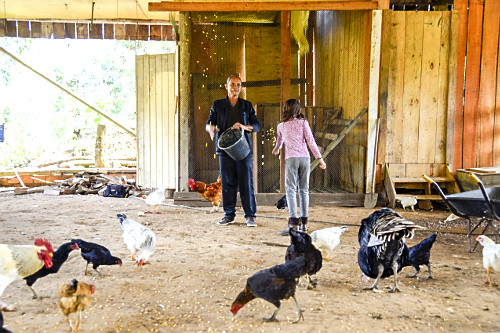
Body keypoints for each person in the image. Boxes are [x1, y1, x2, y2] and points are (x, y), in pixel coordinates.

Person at [206, 74, 261, 227]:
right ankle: (229, 215)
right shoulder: (217, 105)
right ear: (226, 86)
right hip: (225, 151)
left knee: (246, 183)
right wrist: (211, 128)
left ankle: (250, 216)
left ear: (241, 87)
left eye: (238, 84)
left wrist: (243, 127)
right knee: (228, 183)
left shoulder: (246, 105)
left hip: (243, 150)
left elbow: (256, 125)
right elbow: (209, 123)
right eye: (232, 84)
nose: (235, 87)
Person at [272, 99, 326, 235]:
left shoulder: (281, 125)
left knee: (290, 190)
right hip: (305, 159)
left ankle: (293, 225)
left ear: (285, 110)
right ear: (298, 110)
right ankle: (304, 225)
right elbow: (311, 141)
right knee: (304, 190)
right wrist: (320, 159)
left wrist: (276, 149)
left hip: (291, 160)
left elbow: (279, 140)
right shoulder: (303, 123)